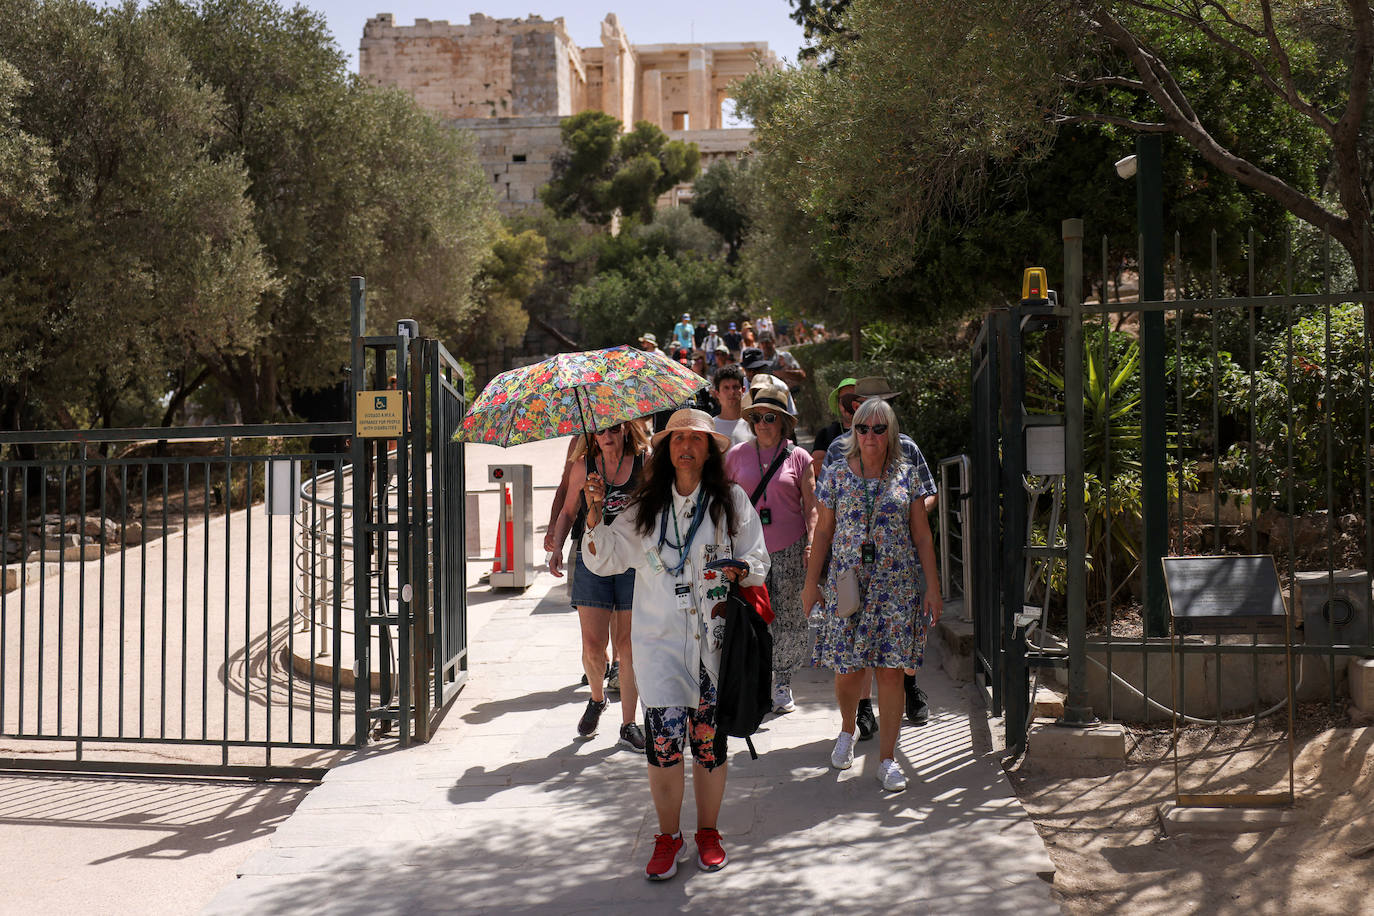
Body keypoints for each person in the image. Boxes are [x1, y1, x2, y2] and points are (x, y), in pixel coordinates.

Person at [582, 408, 769, 880]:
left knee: (708, 744)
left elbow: (757, 556)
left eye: (696, 439)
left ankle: (708, 832)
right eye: (678, 438)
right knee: (664, 743)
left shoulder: (730, 500)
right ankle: (668, 837)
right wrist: (593, 513)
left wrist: (740, 570)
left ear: (709, 450)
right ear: (666, 448)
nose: (686, 446)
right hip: (658, 644)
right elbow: (605, 559)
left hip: (714, 642)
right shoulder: (643, 506)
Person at [801, 398, 942, 792]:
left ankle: (887, 759)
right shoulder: (836, 475)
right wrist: (811, 583)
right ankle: (847, 730)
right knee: (847, 671)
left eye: (879, 429)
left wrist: (932, 587)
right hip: (848, 586)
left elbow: (922, 535)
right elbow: (824, 532)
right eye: (863, 428)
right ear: (854, 431)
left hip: (896, 588)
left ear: (891, 433)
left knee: (891, 674)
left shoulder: (905, 474)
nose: (870, 436)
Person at [820, 376, 939, 736]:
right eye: (858, 406)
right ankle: (862, 708)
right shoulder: (839, 452)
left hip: (897, 557)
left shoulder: (907, 449)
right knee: (857, 644)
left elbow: (927, 495)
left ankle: (909, 688)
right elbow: (827, 512)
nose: (868, 422)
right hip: (854, 567)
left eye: (877, 409)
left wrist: (902, 510)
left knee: (899, 639)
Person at [547, 422, 652, 752]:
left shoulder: (643, 463)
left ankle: (628, 722)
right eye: (600, 431)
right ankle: (596, 698)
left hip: (632, 561)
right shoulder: (584, 467)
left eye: (614, 429)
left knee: (628, 644)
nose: (607, 436)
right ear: (592, 436)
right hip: (593, 559)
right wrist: (557, 546)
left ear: (625, 430)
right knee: (594, 645)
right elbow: (567, 510)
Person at [723, 380, 817, 715]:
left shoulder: (799, 457)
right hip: (748, 551)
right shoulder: (736, 455)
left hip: (789, 548)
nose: (763, 423)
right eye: (758, 417)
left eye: (770, 417)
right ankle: (758, 679)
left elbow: (812, 506)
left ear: (784, 421)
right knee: (753, 616)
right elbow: (722, 503)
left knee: (790, 616)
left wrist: (811, 543)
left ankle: (782, 681)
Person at [812, 377, 858, 481]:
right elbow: (816, 467)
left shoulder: (878, 431)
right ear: (838, 404)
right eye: (844, 400)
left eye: (854, 399)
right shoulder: (826, 434)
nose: (850, 405)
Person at [710, 365, 753, 447]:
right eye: (726, 388)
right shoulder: (709, 428)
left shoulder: (754, 426)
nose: (732, 392)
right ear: (717, 393)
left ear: (743, 390)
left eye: (736, 387)